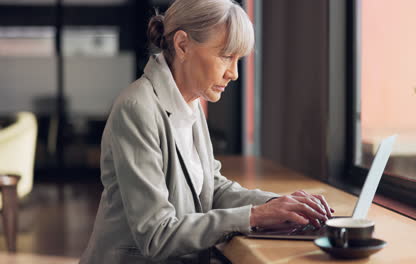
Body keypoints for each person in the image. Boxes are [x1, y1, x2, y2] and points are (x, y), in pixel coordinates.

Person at [79, 0, 333, 263]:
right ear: (182, 45)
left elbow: (212, 189)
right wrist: (255, 216)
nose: (233, 73)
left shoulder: (190, 102)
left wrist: (279, 205)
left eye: (238, 60)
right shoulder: (136, 108)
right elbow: (156, 235)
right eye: (226, 56)